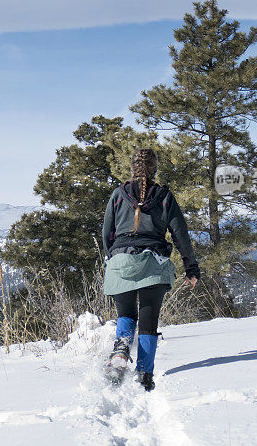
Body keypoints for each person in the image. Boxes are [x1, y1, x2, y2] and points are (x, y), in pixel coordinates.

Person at [102, 148, 201, 391]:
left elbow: (107, 233)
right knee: (148, 324)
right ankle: (144, 375)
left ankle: (121, 350)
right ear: (155, 169)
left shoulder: (118, 195)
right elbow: (181, 235)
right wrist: (191, 267)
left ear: (132, 169)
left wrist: (112, 258)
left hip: (121, 262)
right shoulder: (165, 196)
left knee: (125, 314)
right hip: (154, 265)